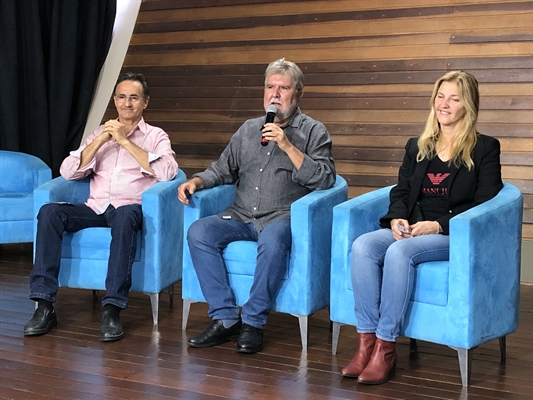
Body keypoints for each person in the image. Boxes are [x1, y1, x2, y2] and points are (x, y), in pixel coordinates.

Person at [342, 70, 503, 385]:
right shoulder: (417, 146)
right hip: (412, 228)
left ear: (468, 105)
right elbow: (401, 192)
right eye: (440, 96)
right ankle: (367, 342)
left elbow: (485, 203)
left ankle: (386, 347)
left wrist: (438, 225)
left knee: (399, 253)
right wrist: (397, 218)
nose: (444, 104)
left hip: (451, 234)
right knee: (362, 246)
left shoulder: (485, 148)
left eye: (454, 98)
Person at [177, 58, 336, 354]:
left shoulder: (314, 131)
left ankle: (252, 322)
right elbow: (223, 169)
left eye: (283, 88)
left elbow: (326, 180)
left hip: (282, 216)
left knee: (274, 240)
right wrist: (196, 182)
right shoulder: (248, 130)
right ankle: (225, 318)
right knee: (199, 231)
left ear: (298, 94)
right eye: (270, 87)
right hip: (240, 215)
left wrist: (288, 145)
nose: (275, 94)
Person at [24, 72, 178, 342]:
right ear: (115, 101)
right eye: (121, 97)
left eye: (134, 98)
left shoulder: (155, 136)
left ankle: (112, 309)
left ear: (145, 103)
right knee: (49, 212)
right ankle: (44, 305)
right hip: (95, 208)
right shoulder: (100, 132)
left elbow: (167, 172)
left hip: (128, 208)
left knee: (126, 216)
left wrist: (124, 142)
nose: (126, 103)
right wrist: (101, 140)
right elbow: (68, 171)